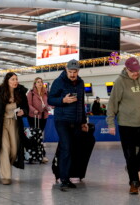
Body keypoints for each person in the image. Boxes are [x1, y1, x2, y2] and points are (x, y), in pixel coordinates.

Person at [106, 57, 140, 195]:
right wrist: (110, 123)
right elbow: (112, 104)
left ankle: (132, 167)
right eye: (132, 71)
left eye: (137, 70)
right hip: (127, 125)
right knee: (130, 155)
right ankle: (134, 183)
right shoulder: (120, 82)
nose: (135, 73)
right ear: (126, 69)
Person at [48, 59, 88, 191]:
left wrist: (83, 121)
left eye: (74, 72)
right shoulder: (58, 82)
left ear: (78, 71)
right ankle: (63, 179)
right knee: (66, 147)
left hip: (76, 122)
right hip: (62, 121)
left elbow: (81, 103)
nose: (72, 74)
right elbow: (50, 99)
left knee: (72, 149)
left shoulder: (81, 83)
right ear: (66, 70)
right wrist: (63, 100)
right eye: (70, 71)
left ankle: (67, 176)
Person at [0, 72, 29, 185]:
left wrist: (23, 111)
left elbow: (26, 107)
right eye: (13, 79)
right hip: (1, 124)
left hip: (14, 123)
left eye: (16, 79)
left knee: (14, 150)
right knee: (4, 148)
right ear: (7, 81)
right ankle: (6, 176)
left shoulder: (20, 92)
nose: (15, 81)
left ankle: (4, 164)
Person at [26, 77, 50, 163]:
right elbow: (28, 104)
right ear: (35, 84)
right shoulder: (31, 93)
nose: (40, 83)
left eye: (41, 82)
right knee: (34, 136)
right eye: (38, 82)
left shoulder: (46, 92)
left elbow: (49, 103)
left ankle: (39, 155)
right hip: (33, 116)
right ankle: (36, 155)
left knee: (39, 136)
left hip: (44, 116)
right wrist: (34, 110)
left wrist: (48, 107)